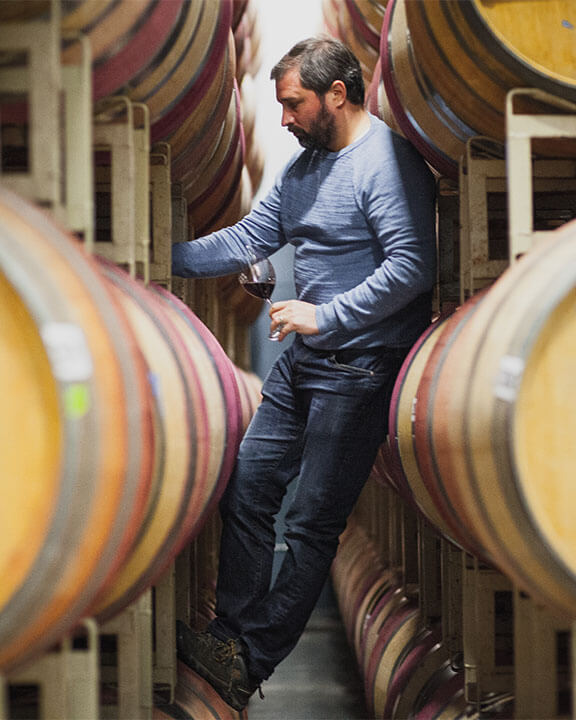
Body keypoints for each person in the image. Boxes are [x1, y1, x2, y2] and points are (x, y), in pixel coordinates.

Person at [172, 35, 437, 711]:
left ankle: (250, 658)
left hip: (358, 367)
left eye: (292, 104)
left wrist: (329, 316)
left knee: (314, 525)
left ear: (336, 96)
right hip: (302, 368)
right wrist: (153, 253)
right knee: (249, 488)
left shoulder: (385, 162)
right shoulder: (302, 169)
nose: (283, 119)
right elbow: (245, 240)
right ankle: (228, 637)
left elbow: (411, 268)